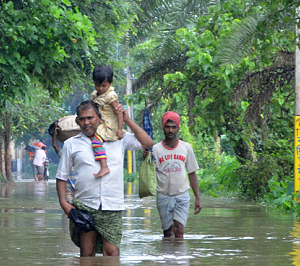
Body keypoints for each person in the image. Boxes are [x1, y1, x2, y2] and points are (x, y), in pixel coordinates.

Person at [56, 100, 153, 257]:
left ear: (99, 118)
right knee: (87, 254)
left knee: (112, 253)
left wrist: (126, 119)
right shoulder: (71, 144)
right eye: (82, 119)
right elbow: (61, 176)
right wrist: (64, 204)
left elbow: (148, 142)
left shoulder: (118, 137)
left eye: (90, 118)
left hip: (112, 206)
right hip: (84, 206)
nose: (86, 122)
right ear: (77, 121)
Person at [150, 111, 202, 239]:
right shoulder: (156, 149)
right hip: (163, 196)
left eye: (173, 127)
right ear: (163, 128)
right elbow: (149, 173)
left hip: (182, 195)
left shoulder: (186, 148)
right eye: (167, 127)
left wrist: (197, 198)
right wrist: (146, 157)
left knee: (179, 231)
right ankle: (168, 258)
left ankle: (180, 258)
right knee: (168, 233)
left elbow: (192, 173)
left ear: (178, 128)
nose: (170, 130)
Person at [89, 65, 125, 179]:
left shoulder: (110, 96)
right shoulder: (95, 95)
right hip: (100, 122)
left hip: (109, 125)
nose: (100, 88)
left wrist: (119, 129)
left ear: (110, 83)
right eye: (97, 85)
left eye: (104, 85)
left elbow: (119, 112)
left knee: (95, 142)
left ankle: (104, 166)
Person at [52, 121, 76, 203]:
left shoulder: (84, 155)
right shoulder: (64, 154)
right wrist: (55, 130)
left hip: (81, 189)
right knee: (69, 212)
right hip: (68, 189)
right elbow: (55, 145)